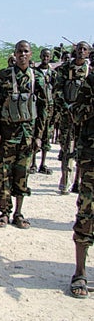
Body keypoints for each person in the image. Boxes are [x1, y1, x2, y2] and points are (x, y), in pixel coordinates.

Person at [0, 40, 47, 228]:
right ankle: (4, 212)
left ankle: (19, 213)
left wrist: (39, 136)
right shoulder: (4, 76)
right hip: (6, 134)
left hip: (27, 135)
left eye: (26, 51)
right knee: (3, 174)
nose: (22, 55)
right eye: (19, 51)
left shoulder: (37, 77)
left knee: (22, 174)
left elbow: (44, 108)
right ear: (14, 54)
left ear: (30, 55)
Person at [68, 70, 94, 298]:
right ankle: (80, 273)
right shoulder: (90, 83)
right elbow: (75, 114)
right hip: (92, 159)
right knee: (87, 214)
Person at [54, 41, 90, 194]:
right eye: (79, 49)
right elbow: (57, 91)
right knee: (66, 147)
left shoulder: (90, 71)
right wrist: (67, 108)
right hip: (67, 115)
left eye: (84, 49)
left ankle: (78, 181)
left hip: (85, 118)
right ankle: (65, 179)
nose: (81, 51)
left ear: (88, 53)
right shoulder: (65, 68)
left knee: (82, 150)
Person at [31, 48, 56, 175]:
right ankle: (33, 163)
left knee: (47, 134)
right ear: (40, 56)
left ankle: (43, 163)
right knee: (36, 134)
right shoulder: (34, 73)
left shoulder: (54, 73)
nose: (45, 58)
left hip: (50, 109)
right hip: (37, 108)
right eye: (44, 56)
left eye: (48, 56)